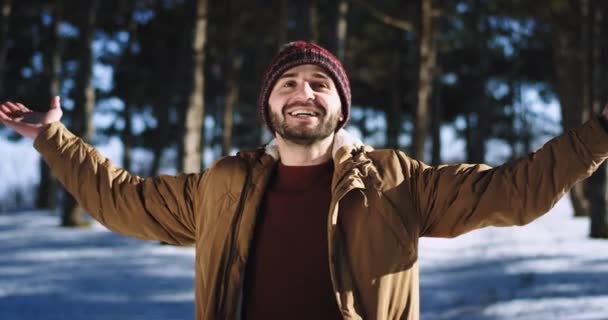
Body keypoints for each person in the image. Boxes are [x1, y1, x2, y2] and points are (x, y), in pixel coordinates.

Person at [1, 41, 608, 320]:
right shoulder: (224, 184)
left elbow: (516, 190)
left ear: (340, 108)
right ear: (269, 106)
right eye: (289, 83)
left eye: (320, 85)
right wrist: (53, 138)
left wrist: (600, 131)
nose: (303, 93)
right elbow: (122, 200)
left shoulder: (397, 182)